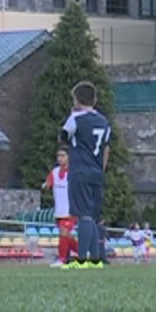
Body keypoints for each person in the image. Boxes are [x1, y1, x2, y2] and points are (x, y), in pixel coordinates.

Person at [60, 81, 111, 270]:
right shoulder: (104, 121)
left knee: (83, 215)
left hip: (80, 171)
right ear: (95, 100)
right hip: (97, 172)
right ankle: (96, 259)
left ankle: (81, 260)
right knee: (92, 215)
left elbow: (63, 136)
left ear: (77, 101)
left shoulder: (76, 118)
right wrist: (101, 170)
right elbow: (107, 148)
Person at [42, 146, 78, 267]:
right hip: (59, 210)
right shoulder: (55, 172)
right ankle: (84, 252)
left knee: (64, 232)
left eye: (63, 156)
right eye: (58, 156)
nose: (60, 158)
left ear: (69, 158)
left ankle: (62, 259)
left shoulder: (74, 172)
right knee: (66, 236)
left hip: (71, 210)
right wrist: (46, 185)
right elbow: (49, 183)